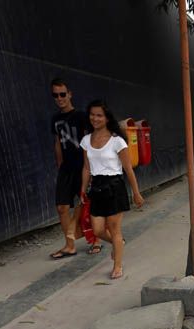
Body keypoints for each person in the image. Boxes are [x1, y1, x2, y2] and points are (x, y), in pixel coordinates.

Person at [80, 99, 145, 279]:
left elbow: (128, 169)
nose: (95, 118)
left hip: (114, 186)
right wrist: (83, 189)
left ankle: (117, 265)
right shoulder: (86, 140)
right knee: (98, 230)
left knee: (114, 229)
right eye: (92, 115)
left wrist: (136, 193)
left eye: (99, 115)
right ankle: (119, 244)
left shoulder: (117, 141)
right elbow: (86, 167)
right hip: (97, 188)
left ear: (107, 118)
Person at [49, 78, 95, 258]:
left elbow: (89, 141)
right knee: (62, 207)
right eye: (55, 95)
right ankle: (70, 245)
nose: (59, 98)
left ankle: (96, 239)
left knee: (87, 205)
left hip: (82, 167)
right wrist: (60, 164)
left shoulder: (81, 116)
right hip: (66, 169)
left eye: (62, 94)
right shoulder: (55, 119)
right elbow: (57, 142)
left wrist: (89, 168)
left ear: (69, 94)